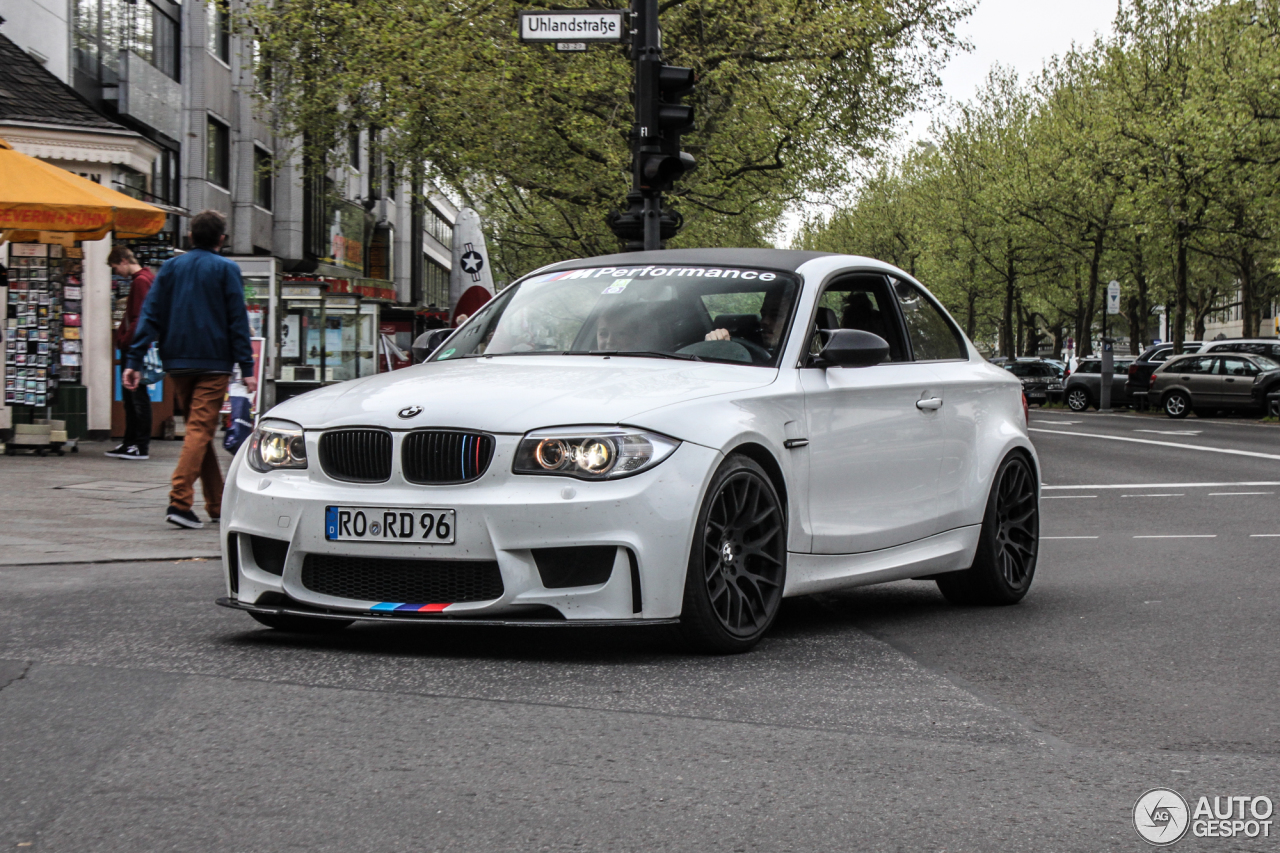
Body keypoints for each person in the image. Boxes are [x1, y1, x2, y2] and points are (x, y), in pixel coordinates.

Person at [124, 210, 257, 530]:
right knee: (200, 429)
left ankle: (217, 504)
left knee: (201, 430)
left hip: (177, 362)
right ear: (221, 239)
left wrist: (134, 360)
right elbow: (237, 321)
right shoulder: (227, 269)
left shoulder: (170, 267)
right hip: (214, 363)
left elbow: (150, 315)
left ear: (190, 236)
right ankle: (179, 501)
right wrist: (247, 366)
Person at [105, 246, 155, 460]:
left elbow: (139, 318)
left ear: (124, 260)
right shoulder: (146, 278)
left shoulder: (141, 281)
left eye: (116, 267)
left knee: (136, 398)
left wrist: (124, 340)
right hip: (136, 346)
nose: (117, 272)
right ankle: (130, 442)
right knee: (132, 397)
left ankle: (139, 445)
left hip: (134, 348)